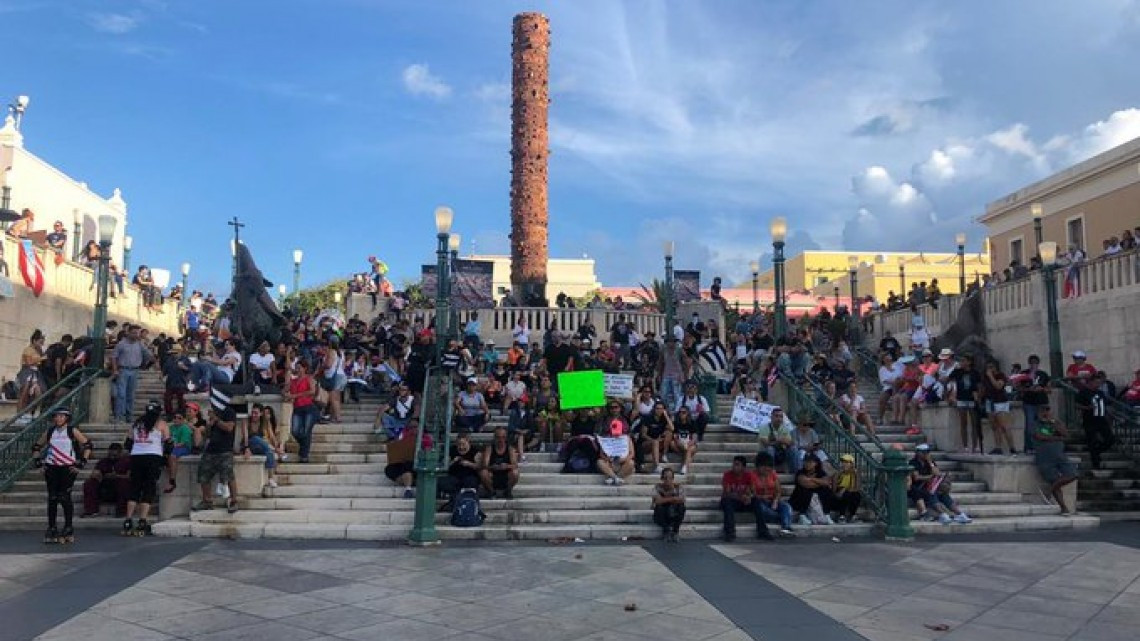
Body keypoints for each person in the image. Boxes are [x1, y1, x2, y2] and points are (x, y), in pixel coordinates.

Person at [31, 408, 93, 543]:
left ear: (67, 418)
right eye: (56, 416)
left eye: (61, 416)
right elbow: (36, 447)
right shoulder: (50, 431)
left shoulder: (72, 431)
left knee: (65, 497)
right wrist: (38, 464)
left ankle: (68, 527)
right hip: (51, 467)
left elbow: (88, 445)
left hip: (67, 468)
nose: (58, 418)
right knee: (52, 498)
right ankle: (52, 527)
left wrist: (81, 463)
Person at [121, 401, 170, 536]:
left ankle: (128, 520)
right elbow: (168, 443)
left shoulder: (136, 424)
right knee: (149, 488)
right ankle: (142, 520)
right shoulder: (161, 424)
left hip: (137, 456)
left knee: (135, 488)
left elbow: (128, 443)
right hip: (153, 457)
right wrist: (165, 458)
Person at [193, 398, 241, 514]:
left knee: (229, 475)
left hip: (225, 449)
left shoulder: (229, 411)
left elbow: (229, 428)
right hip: (211, 449)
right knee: (203, 474)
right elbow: (209, 433)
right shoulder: (214, 413)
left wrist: (217, 420)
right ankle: (207, 501)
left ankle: (234, 501)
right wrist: (209, 424)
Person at [1033, 406, 1079, 515]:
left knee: (1073, 474)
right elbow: (1039, 436)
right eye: (1043, 411)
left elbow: (1066, 435)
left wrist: (1054, 424)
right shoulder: (1036, 424)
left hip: (1060, 455)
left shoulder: (1056, 423)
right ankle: (1063, 507)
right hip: (1045, 457)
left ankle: (1049, 491)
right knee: (1054, 480)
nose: (1045, 413)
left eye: (1047, 411)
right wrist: (1058, 438)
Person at [81, 443, 131, 518]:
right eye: (110, 455)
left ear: (120, 453)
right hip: (105, 489)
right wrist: (98, 475)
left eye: (115, 455)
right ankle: (91, 510)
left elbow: (129, 476)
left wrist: (116, 476)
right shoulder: (103, 462)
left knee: (124, 483)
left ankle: (121, 511)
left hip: (120, 489)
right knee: (90, 483)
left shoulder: (127, 462)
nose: (112, 457)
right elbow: (95, 473)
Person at [1076, 372, 1113, 470]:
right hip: (1090, 420)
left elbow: (1105, 405)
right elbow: (1077, 405)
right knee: (1091, 441)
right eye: (1096, 382)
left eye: (1099, 383)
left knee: (1110, 439)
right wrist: (1087, 407)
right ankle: (1096, 463)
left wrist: (1108, 415)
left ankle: (1097, 451)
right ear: (1091, 382)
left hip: (1101, 419)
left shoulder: (1100, 393)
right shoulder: (1083, 392)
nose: (1098, 385)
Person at [285, 360, 319, 463]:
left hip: (308, 407)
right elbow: (285, 390)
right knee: (294, 431)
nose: (297, 369)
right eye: (296, 367)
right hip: (297, 408)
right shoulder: (293, 381)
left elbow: (312, 391)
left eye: (299, 367)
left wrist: (295, 395)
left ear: (304, 368)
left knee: (306, 431)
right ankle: (304, 448)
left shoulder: (309, 378)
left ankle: (304, 455)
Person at [790, 454, 836, 525]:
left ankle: (826, 514)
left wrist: (811, 479)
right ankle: (802, 515)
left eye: (810, 462)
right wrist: (819, 482)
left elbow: (826, 482)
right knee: (804, 490)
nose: (807, 464)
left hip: (817, 497)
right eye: (805, 462)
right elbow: (805, 484)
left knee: (826, 490)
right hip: (799, 498)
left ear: (816, 463)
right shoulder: (800, 472)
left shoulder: (821, 472)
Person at [1018, 354, 1050, 455]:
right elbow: (1018, 388)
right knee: (1029, 425)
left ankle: (1043, 446)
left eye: (1035, 363)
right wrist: (1029, 389)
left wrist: (1042, 389)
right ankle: (1029, 447)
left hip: (1042, 402)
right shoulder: (1024, 374)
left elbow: (1049, 389)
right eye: (1032, 363)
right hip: (1029, 402)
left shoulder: (1043, 374)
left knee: (1043, 424)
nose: (1033, 365)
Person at [983, 361, 1017, 455]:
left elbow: (998, 386)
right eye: (988, 367)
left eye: (991, 367)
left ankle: (1012, 447)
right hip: (990, 401)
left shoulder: (1000, 376)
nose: (989, 369)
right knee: (995, 426)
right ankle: (998, 447)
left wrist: (991, 376)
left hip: (1000, 402)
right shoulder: (985, 377)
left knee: (1004, 426)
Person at [949, 354, 982, 453]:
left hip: (972, 398)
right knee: (963, 423)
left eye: (964, 361)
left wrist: (979, 397)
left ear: (969, 362)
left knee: (974, 423)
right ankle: (965, 446)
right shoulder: (957, 372)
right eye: (961, 361)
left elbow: (979, 386)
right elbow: (949, 380)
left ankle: (976, 446)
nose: (962, 363)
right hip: (961, 398)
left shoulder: (975, 373)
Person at [245, 404, 281, 491]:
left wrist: (276, 446)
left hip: (261, 447)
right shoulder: (246, 421)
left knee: (269, 452)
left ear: (261, 413)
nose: (253, 415)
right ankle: (271, 448)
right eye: (252, 412)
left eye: (256, 413)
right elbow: (245, 436)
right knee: (256, 438)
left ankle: (270, 479)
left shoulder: (265, 422)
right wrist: (247, 448)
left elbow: (271, 436)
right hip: (250, 444)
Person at [596, 409, 635, 485]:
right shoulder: (605, 439)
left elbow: (632, 453)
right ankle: (615, 478)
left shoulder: (627, 438)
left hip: (623, 463)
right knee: (599, 462)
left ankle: (614, 478)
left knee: (631, 463)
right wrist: (609, 459)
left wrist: (623, 460)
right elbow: (601, 454)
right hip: (610, 462)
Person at [480, 427, 519, 499]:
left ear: (506, 438)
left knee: (515, 473)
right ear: (495, 437)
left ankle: (508, 491)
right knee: (483, 473)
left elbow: (515, 465)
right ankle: (492, 492)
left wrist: (506, 466)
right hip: (493, 474)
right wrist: (493, 467)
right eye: (498, 437)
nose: (501, 440)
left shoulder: (510, 448)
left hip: (506, 474)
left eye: (503, 437)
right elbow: (484, 465)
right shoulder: (489, 448)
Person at [384, 419, 419, 499]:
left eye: (415, 427)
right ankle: (410, 481)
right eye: (410, 427)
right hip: (402, 461)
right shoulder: (402, 435)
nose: (412, 429)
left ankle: (408, 489)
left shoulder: (425, 437)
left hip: (416, 462)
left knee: (407, 466)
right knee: (389, 469)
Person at [163, 409, 194, 493]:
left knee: (172, 455)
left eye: (179, 418)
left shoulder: (185, 428)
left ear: (183, 419)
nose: (176, 419)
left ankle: (172, 481)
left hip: (184, 448)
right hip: (172, 447)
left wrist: (171, 446)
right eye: (174, 417)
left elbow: (183, 443)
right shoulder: (170, 427)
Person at [755, 406, 794, 472]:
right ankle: (770, 472)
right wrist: (780, 440)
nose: (779, 418)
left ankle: (796, 472)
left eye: (781, 417)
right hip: (765, 454)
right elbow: (766, 443)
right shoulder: (764, 428)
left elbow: (789, 442)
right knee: (770, 449)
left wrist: (776, 440)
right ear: (771, 417)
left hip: (780, 453)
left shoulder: (785, 428)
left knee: (793, 449)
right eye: (776, 416)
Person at [652, 467, 686, 542]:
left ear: (673, 479)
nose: (667, 480)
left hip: (673, 512)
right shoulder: (658, 487)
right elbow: (657, 501)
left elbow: (682, 499)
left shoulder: (678, 487)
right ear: (662, 478)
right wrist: (673, 499)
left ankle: (675, 531)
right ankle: (666, 531)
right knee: (659, 507)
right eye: (665, 478)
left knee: (681, 507)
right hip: (662, 514)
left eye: (670, 478)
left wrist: (665, 499)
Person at [16, 329, 47, 412]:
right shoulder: (27, 350)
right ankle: (19, 413)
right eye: (40, 342)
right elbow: (28, 362)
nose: (41, 345)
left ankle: (30, 412)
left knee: (39, 393)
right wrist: (41, 358)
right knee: (24, 393)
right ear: (34, 341)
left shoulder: (38, 351)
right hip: (27, 371)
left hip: (36, 373)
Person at [666, 406, 700, 475]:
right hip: (679, 443)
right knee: (672, 443)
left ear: (687, 413)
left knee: (689, 449)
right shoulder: (676, 423)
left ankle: (684, 467)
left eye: (684, 412)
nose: (681, 414)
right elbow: (675, 436)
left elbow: (694, 437)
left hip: (689, 443)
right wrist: (680, 443)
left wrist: (688, 444)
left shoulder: (692, 423)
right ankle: (687, 455)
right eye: (680, 412)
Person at [832, 454, 863, 523]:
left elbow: (858, 487)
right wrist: (840, 492)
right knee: (846, 494)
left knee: (856, 495)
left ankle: (852, 515)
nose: (844, 464)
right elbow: (834, 490)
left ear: (852, 464)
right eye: (843, 462)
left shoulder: (855, 473)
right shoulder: (838, 473)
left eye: (847, 462)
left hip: (849, 492)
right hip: (839, 494)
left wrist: (846, 489)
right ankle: (841, 515)